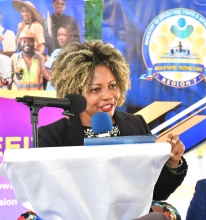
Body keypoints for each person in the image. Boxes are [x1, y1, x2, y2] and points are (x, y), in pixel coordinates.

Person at [38, 41, 187, 219]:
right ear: (74, 92)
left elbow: (156, 192)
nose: (108, 96)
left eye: (112, 86)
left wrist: (172, 162)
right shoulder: (53, 136)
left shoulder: (136, 124)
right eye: (95, 89)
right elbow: (50, 197)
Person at [44, 23, 78, 90]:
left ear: (71, 37)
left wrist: (56, 74)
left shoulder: (75, 53)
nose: (60, 38)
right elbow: (45, 69)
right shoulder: (56, 52)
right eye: (59, 35)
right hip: (50, 91)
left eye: (63, 35)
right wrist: (51, 79)